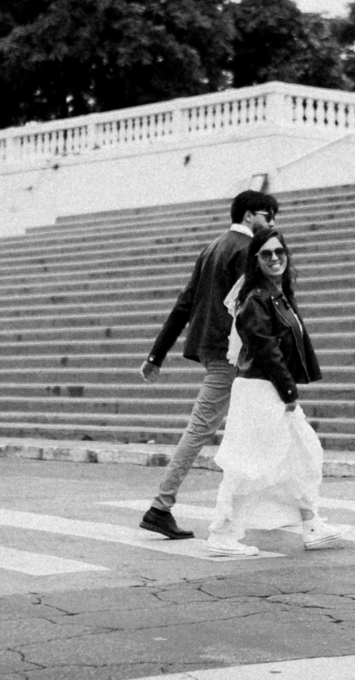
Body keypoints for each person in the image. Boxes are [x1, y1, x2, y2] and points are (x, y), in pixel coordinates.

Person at [138, 189, 280, 540]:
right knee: (202, 427)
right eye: (268, 215)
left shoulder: (212, 247)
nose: (272, 222)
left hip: (213, 347)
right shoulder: (246, 249)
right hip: (231, 351)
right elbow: (253, 307)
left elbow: (184, 304)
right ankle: (160, 506)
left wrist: (157, 355)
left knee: (264, 423)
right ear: (249, 216)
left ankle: (276, 507)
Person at [205, 228, 346, 557]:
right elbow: (267, 351)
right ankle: (222, 535)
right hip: (258, 390)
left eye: (279, 252)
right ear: (256, 260)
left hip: (270, 388)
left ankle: (311, 525)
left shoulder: (278, 294)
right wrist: (288, 392)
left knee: (300, 454)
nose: (274, 259)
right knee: (248, 465)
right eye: (266, 254)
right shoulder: (257, 299)